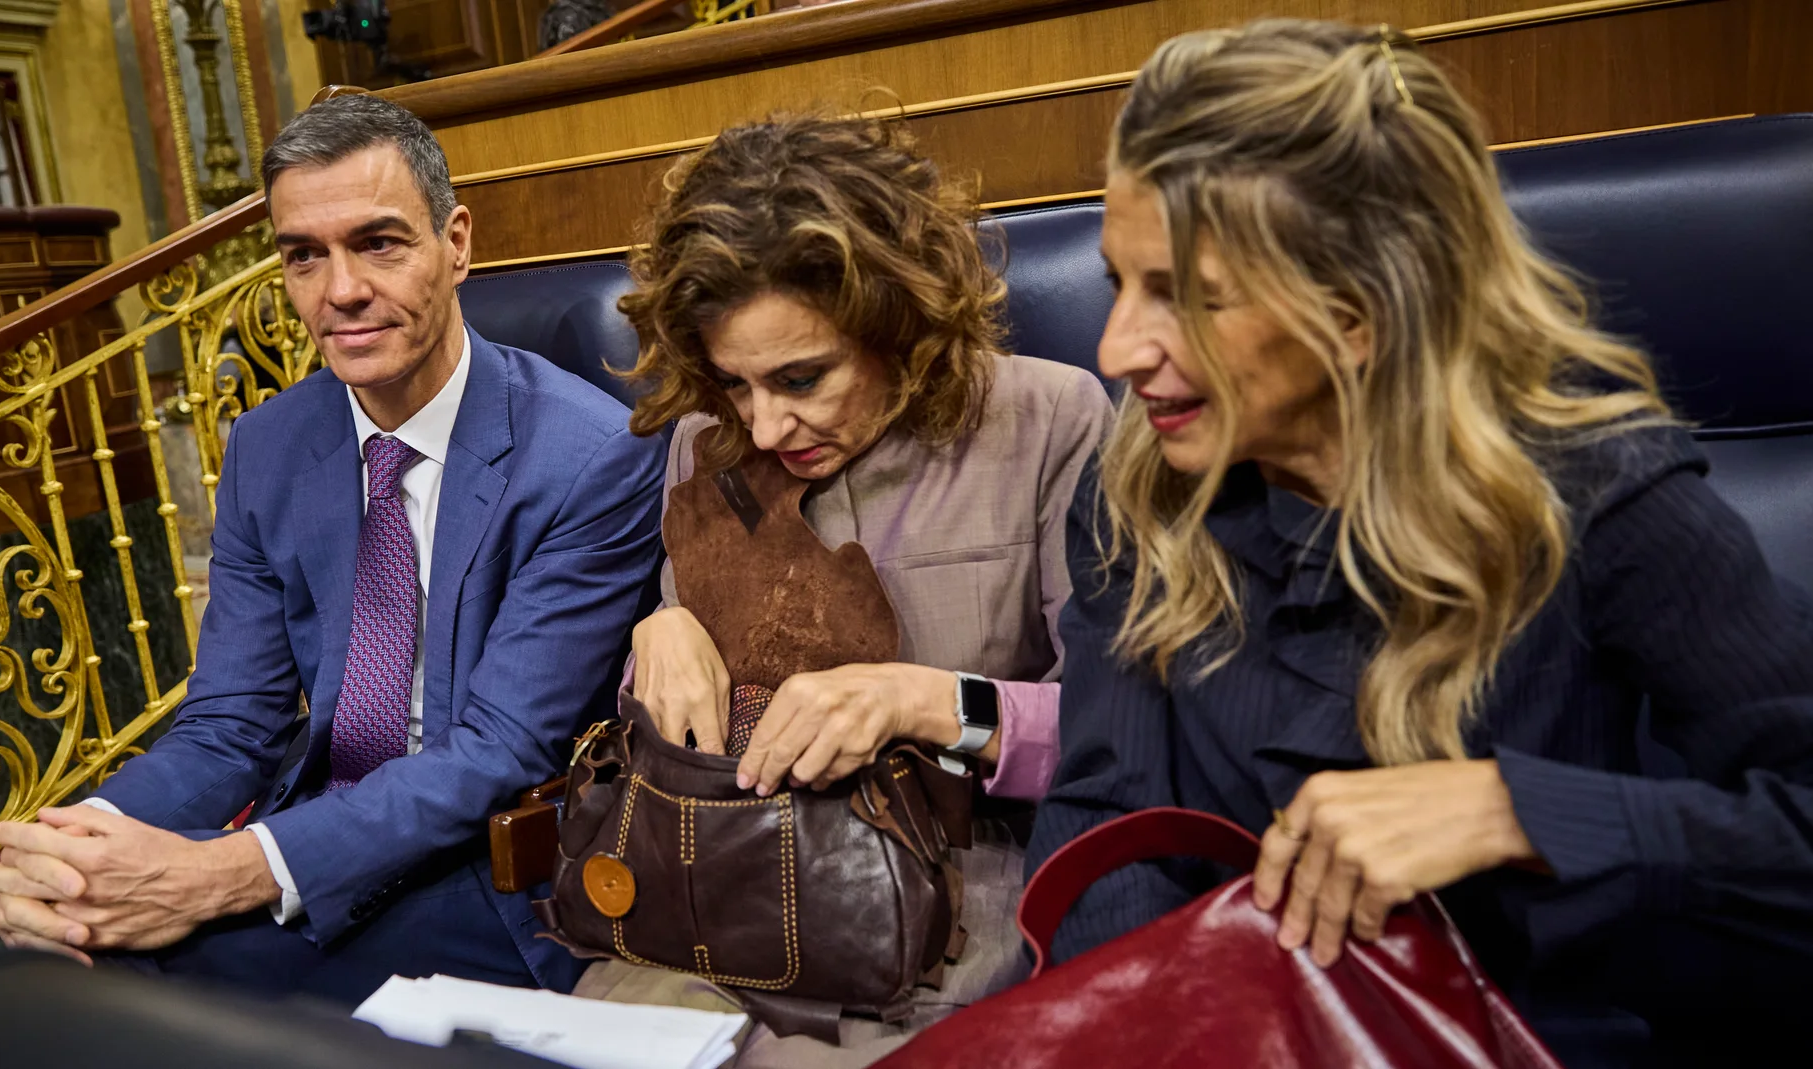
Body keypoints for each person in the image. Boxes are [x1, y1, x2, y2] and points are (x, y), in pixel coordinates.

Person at [1028, 19, 1813, 1068]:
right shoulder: (1138, 485)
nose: (1115, 347)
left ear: (1360, 310)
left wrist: (1515, 808)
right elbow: (1100, 822)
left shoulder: (1594, 491)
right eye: (1118, 280)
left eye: (1190, 297)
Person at [0, 94, 665, 1004]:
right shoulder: (269, 445)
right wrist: (82, 845)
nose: (340, 291)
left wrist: (219, 876)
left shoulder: (589, 456)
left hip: (490, 864)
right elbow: (231, 723)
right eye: (304, 254)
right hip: (312, 827)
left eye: (378, 242)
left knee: (151, 987)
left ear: (456, 242)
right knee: (34, 956)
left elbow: (497, 750)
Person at [577, 115, 1111, 1066]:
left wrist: (922, 699)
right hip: (713, 891)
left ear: (895, 320)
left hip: (943, 911)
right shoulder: (709, 441)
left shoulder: (1050, 422)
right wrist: (658, 632)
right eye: (736, 384)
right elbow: (673, 726)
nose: (769, 424)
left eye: (802, 377)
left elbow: (1119, 740)